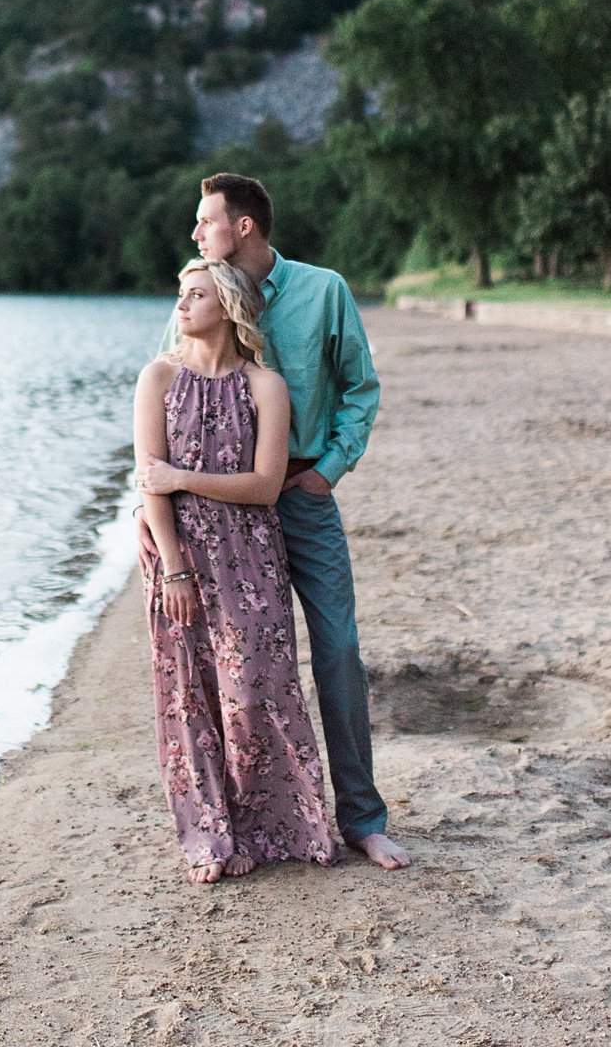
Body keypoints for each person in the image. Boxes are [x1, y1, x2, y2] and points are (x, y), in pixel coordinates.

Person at [138, 172, 411, 872]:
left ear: (245, 226)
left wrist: (330, 468)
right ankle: (246, 819)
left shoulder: (325, 291)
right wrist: (157, 514)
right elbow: (168, 406)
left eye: (206, 221)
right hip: (216, 524)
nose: (197, 233)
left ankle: (363, 820)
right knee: (235, 671)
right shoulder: (199, 298)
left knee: (339, 651)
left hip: (299, 495)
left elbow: (360, 387)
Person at [134, 256, 339, 884]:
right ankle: (212, 838)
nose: (181, 305)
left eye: (195, 294)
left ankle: (279, 826)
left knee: (256, 691)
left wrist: (183, 477)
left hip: (250, 554)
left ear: (227, 306)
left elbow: (265, 486)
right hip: (178, 558)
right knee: (190, 695)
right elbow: (150, 486)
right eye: (179, 294)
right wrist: (173, 571)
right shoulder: (158, 378)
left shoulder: (264, 385)